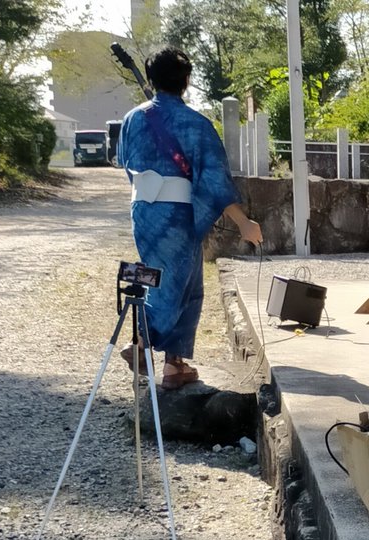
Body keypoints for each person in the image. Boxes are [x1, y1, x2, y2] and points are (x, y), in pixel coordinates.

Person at [118, 47, 262, 389]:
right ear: (186, 80)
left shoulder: (132, 119)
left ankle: (175, 364)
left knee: (184, 282)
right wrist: (243, 223)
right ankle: (141, 342)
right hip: (177, 214)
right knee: (173, 284)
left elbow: (126, 163)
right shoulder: (196, 124)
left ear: (152, 78)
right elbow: (214, 182)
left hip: (143, 210)